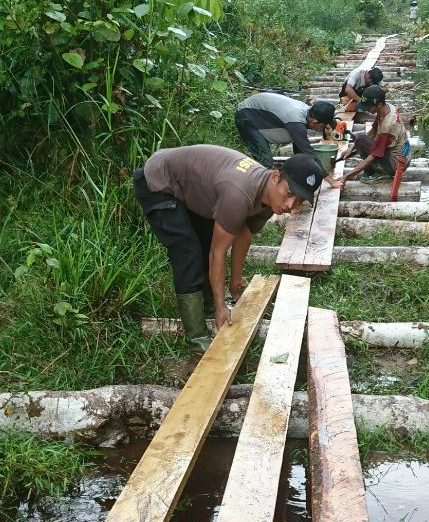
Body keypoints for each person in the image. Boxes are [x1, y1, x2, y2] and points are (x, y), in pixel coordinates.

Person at [133, 145, 322, 348]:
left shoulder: (269, 196)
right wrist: (221, 306)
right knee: (188, 253)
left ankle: (205, 305)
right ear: (276, 176)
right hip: (159, 179)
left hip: (191, 185)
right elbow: (218, 252)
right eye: (289, 193)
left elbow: (243, 233)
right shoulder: (239, 194)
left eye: (299, 200)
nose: (290, 205)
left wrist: (236, 279)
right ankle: (197, 337)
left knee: (206, 241)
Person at [330, 85, 410, 187]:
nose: (366, 110)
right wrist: (351, 148)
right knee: (360, 139)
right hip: (400, 155)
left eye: (368, 107)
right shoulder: (386, 108)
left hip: (396, 163)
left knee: (361, 142)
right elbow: (373, 131)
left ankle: (376, 174)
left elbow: (372, 156)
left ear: (379, 105)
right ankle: (375, 170)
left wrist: (346, 176)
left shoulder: (388, 124)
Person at [234, 93, 336, 168]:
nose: (320, 129)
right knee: (265, 162)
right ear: (314, 122)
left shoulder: (306, 113)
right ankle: (259, 190)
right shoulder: (296, 121)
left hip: (258, 115)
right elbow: (307, 152)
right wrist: (328, 178)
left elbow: (299, 149)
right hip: (246, 116)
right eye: (322, 127)